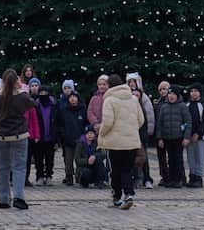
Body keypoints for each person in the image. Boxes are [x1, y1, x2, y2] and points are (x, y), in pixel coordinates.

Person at [0, 68, 37, 210]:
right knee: (19, 167)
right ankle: (19, 198)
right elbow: (33, 103)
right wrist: (20, 89)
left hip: (0, 136)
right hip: (19, 135)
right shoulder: (22, 97)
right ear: (17, 81)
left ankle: (3, 199)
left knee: (3, 167)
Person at [97, 73, 145, 210]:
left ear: (110, 86)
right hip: (131, 141)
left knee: (115, 171)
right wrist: (131, 129)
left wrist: (101, 134)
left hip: (115, 143)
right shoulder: (133, 99)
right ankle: (129, 194)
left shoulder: (110, 100)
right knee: (127, 170)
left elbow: (107, 122)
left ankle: (117, 197)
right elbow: (141, 120)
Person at [155, 86, 189, 187]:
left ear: (177, 95)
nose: (171, 96)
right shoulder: (164, 107)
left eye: (173, 94)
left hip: (179, 137)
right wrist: (159, 137)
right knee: (170, 159)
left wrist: (186, 136)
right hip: (167, 137)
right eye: (170, 94)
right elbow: (160, 123)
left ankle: (179, 179)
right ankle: (171, 179)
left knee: (178, 159)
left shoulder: (182, 106)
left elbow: (187, 122)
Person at [56, 89, 88, 185]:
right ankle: (69, 177)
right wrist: (62, 135)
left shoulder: (83, 109)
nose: (73, 99)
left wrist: (84, 136)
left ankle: (79, 176)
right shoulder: (63, 110)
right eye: (71, 97)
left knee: (79, 160)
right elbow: (59, 124)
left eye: (75, 97)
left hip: (80, 140)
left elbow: (86, 123)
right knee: (68, 161)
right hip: (67, 139)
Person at [185, 85, 204, 187]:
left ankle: (199, 177)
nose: (193, 93)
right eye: (192, 91)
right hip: (189, 135)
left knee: (199, 157)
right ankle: (192, 175)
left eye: (196, 91)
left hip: (200, 136)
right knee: (191, 157)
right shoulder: (187, 105)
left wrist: (198, 133)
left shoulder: (203, 105)